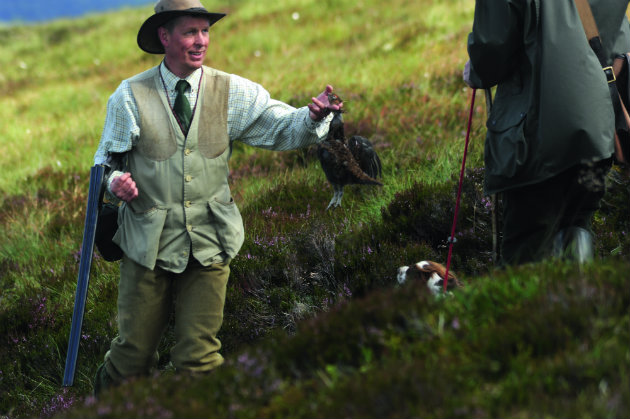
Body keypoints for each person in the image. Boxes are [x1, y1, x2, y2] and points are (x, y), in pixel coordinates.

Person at [92, 0, 341, 394]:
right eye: (190, 32)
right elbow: (104, 165)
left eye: (205, 31)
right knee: (131, 360)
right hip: (146, 246)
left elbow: (280, 127)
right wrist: (115, 183)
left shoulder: (232, 91)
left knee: (199, 360)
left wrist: (312, 118)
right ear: (164, 36)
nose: (200, 41)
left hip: (210, 241)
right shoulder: (129, 96)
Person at [464, 0, 630, 266]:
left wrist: (478, 68)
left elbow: (491, 51)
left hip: (536, 135)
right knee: (577, 223)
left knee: (527, 250)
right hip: (597, 129)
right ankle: (582, 301)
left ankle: (542, 305)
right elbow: (620, 41)